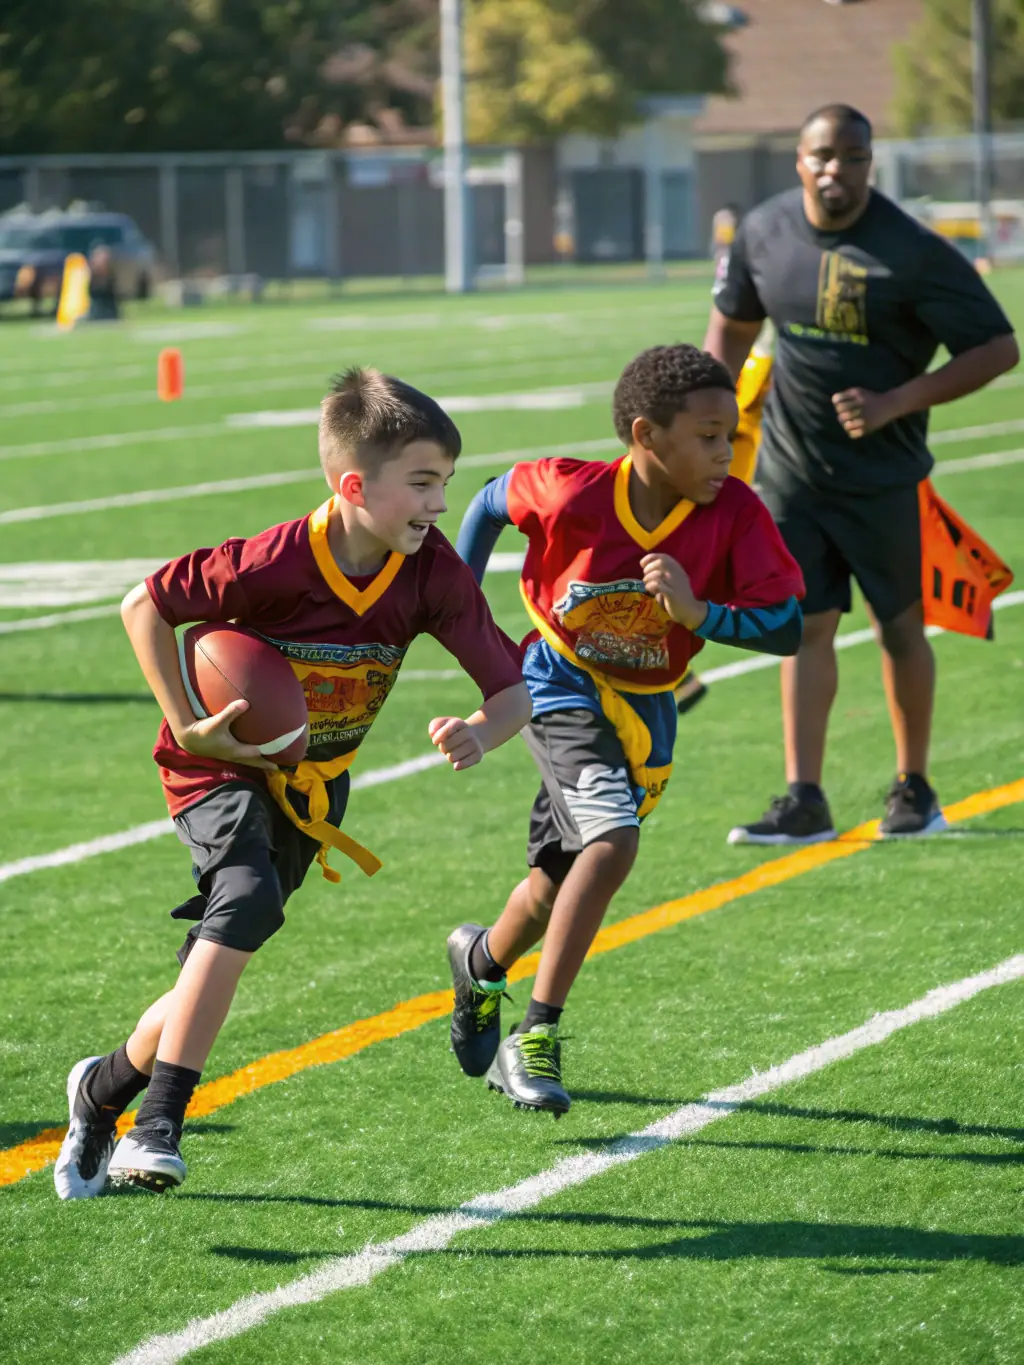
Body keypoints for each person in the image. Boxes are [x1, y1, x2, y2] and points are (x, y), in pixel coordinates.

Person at [53, 368, 530, 1199]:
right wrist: (187, 718)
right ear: (354, 485)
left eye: (445, 483)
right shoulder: (272, 563)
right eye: (422, 484)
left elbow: (512, 689)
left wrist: (481, 733)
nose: (439, 504)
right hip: (217, 768)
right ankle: (158, 1124)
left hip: (314, 788)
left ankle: (101, 1092)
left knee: (218, 954)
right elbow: (144, 605)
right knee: (243, 902)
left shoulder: (433, 573)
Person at [446, 344, 806, 1115]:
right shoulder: (567, 489)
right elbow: (484, 503)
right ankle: (535, 1035)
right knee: (612, 842)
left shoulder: (735, 511)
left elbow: (786, 625)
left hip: (647, 706)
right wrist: (461, 611)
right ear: (647, 436)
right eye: (709, 435)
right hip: (557, 681)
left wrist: (699, 614)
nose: (727, 450)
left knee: (556, 880)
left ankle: (479, 963)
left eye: (732, 432)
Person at [706, 104, 1019, 846]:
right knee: (802, 626)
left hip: (884, 476)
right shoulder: (766, 231)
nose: (835, 170)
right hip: (789, 471)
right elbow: (733, 324)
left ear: (870, 162)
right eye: (822, 156)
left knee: (900, 628)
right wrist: (709, 425)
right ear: (799, 160)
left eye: (852, 157)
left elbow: (998, 347)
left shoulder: (911, 251)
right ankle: (804, 797)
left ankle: (914, 788)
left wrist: (897, 402)